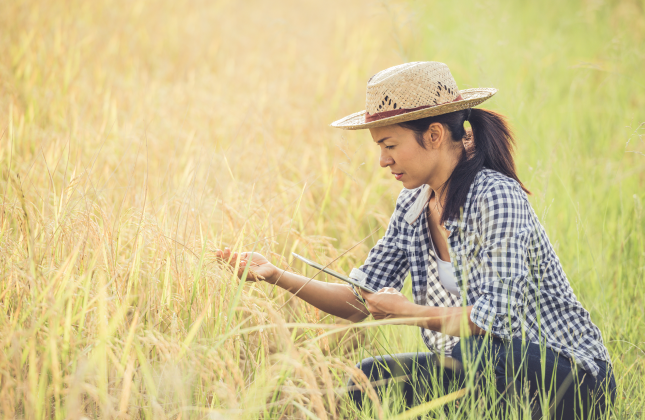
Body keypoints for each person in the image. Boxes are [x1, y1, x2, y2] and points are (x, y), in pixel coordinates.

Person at [216, 62, 615, 419]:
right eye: (379, 148)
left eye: (390, 146)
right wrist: (275, 275)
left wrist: (409, 311)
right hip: (483, 369)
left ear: (435, 134)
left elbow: (495, 320)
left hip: (573, 381)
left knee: (468, 356)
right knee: (367, 377)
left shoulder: (495, 196)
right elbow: (359, 302)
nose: (383, 161)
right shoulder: (413, 204)